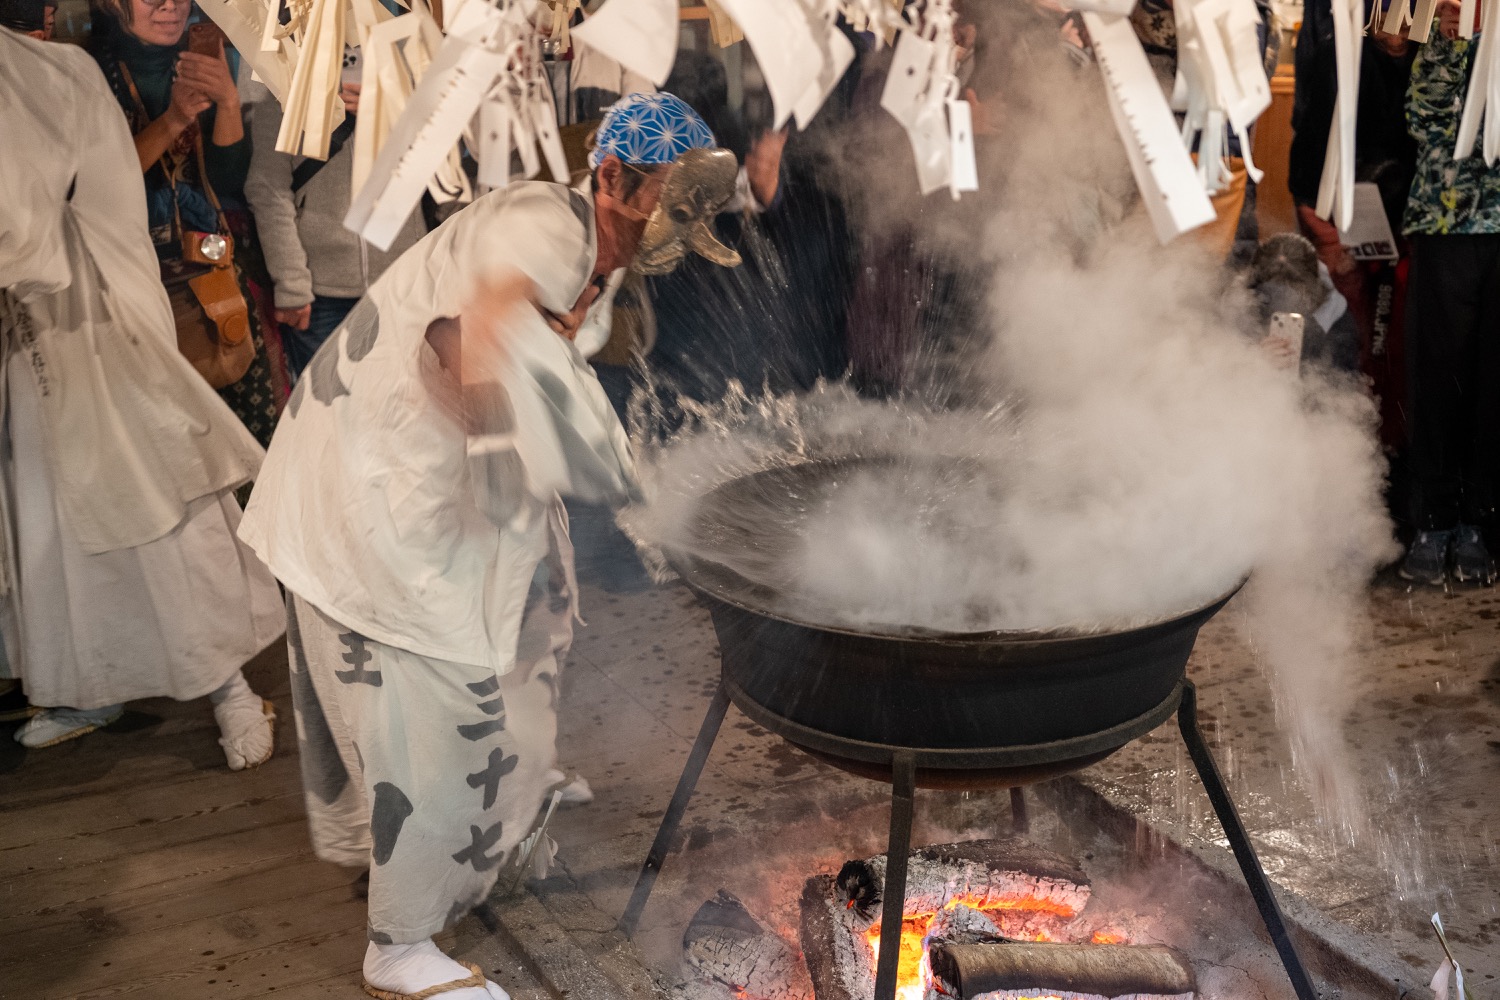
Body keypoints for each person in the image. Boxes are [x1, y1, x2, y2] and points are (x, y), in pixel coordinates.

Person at [237, 92, 741, 999]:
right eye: (665, 201)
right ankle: (398, 942)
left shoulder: (600, 250)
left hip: (442, 479)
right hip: (380, 481)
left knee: (536, 622)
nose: (673, 229)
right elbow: (457, 340)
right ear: (612, 178)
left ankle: (507, 809)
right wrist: (509, 451)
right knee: (439, 705)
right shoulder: (542, 226)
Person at [0, 28, 283, 761]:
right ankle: (87, 684)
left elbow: (28, 225)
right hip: (27, 349)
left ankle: (230, 691)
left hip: (101, 330)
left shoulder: (57, 72)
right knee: (53, 528)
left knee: (163, 519)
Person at [89, 0, 283, 446]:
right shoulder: (91, 74)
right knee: (171, 451)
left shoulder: (197, 61)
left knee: (251, 447)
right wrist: (174, 119)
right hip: (132, 295)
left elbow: (225, 180)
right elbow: (100, 191)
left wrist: (229, 102)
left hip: (214, 280)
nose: (169, 5)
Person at [1397, 0, 1500, 587]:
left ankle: (1479, 521)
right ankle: (1432, 520)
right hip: (1446, 220)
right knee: (1437, 379)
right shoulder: (1445, 16)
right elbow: (1422, 117)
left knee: (1494, 384)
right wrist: (1454, 41)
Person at [244, 74, 427, 380]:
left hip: (405, 281)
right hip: (320, 293)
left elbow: (446, 168)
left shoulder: (408, 72)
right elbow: (268, 189)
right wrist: (292, 284)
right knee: (328, 416)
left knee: (409, 405)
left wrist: (394, 115)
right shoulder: (281, 83)